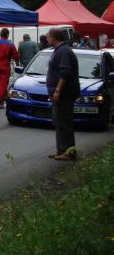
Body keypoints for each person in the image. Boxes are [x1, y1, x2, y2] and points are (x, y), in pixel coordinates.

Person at [46, 27, 80, 161]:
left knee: (65, 122)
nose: (47, 39)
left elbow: (65, 72)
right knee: (58, 121)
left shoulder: (64, 51)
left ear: (54, 37)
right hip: (59, 93)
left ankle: (70, 152)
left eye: (48, 36)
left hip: (64, 93)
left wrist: (58, 90)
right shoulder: (58, 50)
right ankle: (61, 149)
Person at [0, 28, 20, 109]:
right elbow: (16, 56)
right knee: (3, 83)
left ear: (0, 34)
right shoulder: (10, 45)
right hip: (5, 66)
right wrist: (17, 63)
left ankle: (1, 102)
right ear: (7, 35)